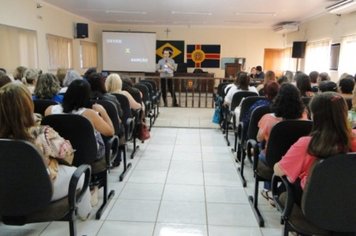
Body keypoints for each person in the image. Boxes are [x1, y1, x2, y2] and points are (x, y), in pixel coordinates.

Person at [0, 83, 92, 220]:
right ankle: (85, 215)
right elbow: (68, 155)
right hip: (39, 193)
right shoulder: (42, 133)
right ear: (28, 106)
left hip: (5, 193)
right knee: (79, 173)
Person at [273, 92, 356, 205]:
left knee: (286, 184)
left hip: (314, 206)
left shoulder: (307, 144)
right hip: (348, 203)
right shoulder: (352, 139)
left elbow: (279, 171)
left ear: (314, 115)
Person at [257, 83, 307, 203]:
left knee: (260, 150)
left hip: (273, 159)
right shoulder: (305, 118)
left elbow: (258, 138)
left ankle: (268, 189)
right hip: (297, 159)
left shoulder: (269, 118)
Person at [45, 79, 114, 160]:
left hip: (57, 152)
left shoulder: (49, 110)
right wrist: (103, 111)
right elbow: (110, 132)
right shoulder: (89, 114)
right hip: (85, 155)